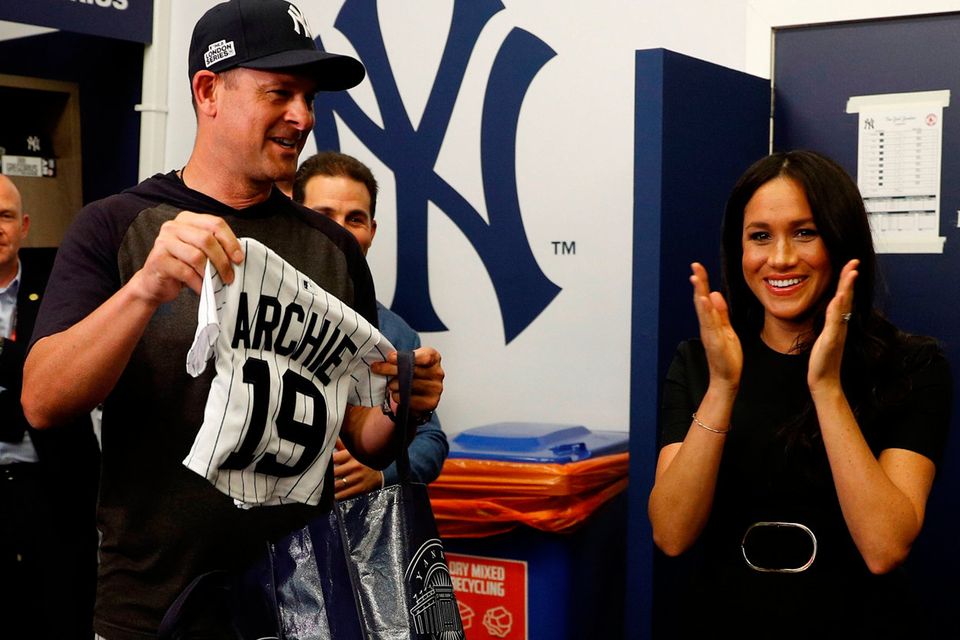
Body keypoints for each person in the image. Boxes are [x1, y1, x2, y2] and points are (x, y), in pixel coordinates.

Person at [20, 1, 444, 638]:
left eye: (308, 97)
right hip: (152, 607)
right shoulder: (116, 226)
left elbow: (356, 429)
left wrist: (399, 407)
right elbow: (43, 401)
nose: (302, 117)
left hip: (303, 604)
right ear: (208, 90)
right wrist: (144, 290)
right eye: (280, 92)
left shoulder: (332, 251)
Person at [647, 150, 951, 636]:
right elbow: (671, 533)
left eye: (804, 232)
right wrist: (723, 387)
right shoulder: (701, 362)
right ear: (739, 250)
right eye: (760, 236)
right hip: (723, 616)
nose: (781, 257)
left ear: (840, 239)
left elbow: (885, 546)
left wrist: (826, 387)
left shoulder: (911, 364)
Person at [292, 151, 449, 499]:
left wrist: (380, 473)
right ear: (294, 218)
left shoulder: (394, 333)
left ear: (371, 232)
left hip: (352, 538)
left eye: (355, 218)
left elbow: (432, 441)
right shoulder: (259, 308)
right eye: (324, 215)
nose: (340, 231)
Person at [0, 175, 99, 638]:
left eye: (3, 217)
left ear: (24, 226)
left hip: (55, 486)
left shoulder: (63, 285)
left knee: (62, 616)